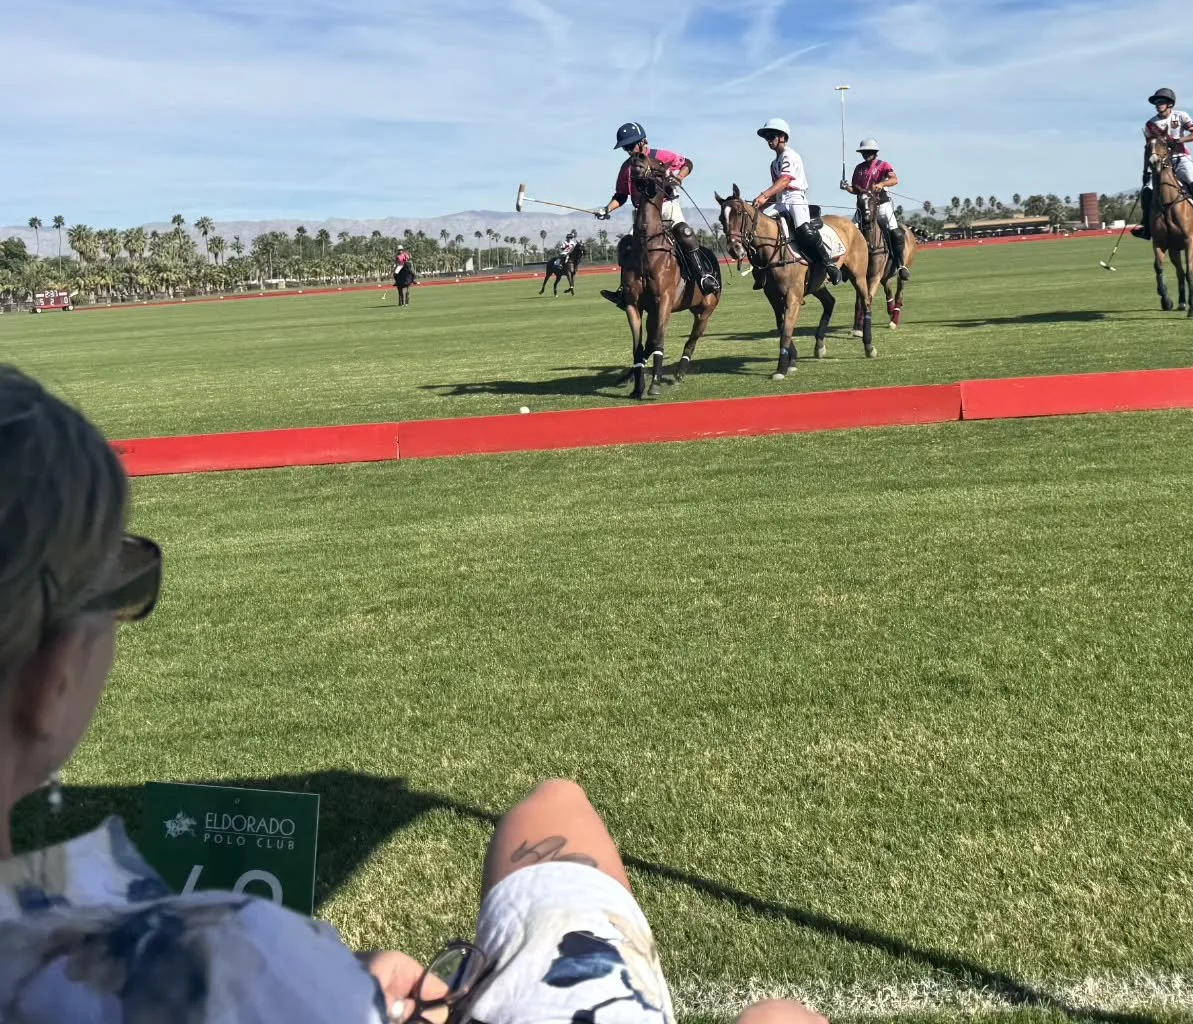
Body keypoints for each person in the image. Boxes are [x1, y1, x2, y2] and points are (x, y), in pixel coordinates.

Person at [0, 366, 825, 1024]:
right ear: (52, 675)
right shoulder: (222, 961)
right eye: (124, 585)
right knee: (768, 1001)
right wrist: (327, 992)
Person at [596, 122, 720, 299]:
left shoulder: (661, 156)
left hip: (668, 206)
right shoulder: (626, 168)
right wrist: (606, 209)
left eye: (631, 146)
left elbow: (687, 163)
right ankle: (624, 291)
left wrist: (679, 177)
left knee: (685, 233)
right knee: (626, 245)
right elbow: (621, 195)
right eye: (625, 148)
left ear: (643, 142)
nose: (629, 151)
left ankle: (703, 277)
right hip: (643, 213)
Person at [752, 119, 840, 286]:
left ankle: (829, 264)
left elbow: (785, 180)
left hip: (795, 199)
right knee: (758, 227)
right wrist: (758, 207)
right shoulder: (773, 164)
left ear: (783, 137)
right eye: (767, 137)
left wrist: (763, 195)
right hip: (780, 201)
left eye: (772, 136)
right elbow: (776, 192)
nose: (769, 140)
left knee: (804, 230)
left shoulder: (789, 155)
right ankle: (762, 270)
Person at [1132, 87, 1193, 240]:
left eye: (1162, 101)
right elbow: (1149, 149)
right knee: (1147, 191)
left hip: (1181, 158)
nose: (1158, 104)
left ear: (1170, 104)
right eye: (1156, 102)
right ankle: (1146, 226)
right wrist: (1146, 171)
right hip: (1161, 163)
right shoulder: (1150, 124)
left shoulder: (1181, 116)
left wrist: (1179, 140)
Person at [839, 138, 909, 281]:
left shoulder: (883, 165)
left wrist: (882, 184)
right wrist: (846, 187)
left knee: (895, 231)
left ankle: (900, 265)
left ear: (875, 152)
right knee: (850, 232)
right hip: (864, 207)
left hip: (881, 205)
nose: (866, 154)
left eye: (869, 152)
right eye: (864, 152)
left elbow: (894, 179)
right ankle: (845, 266)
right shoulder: (858, 168)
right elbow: (855, 190)